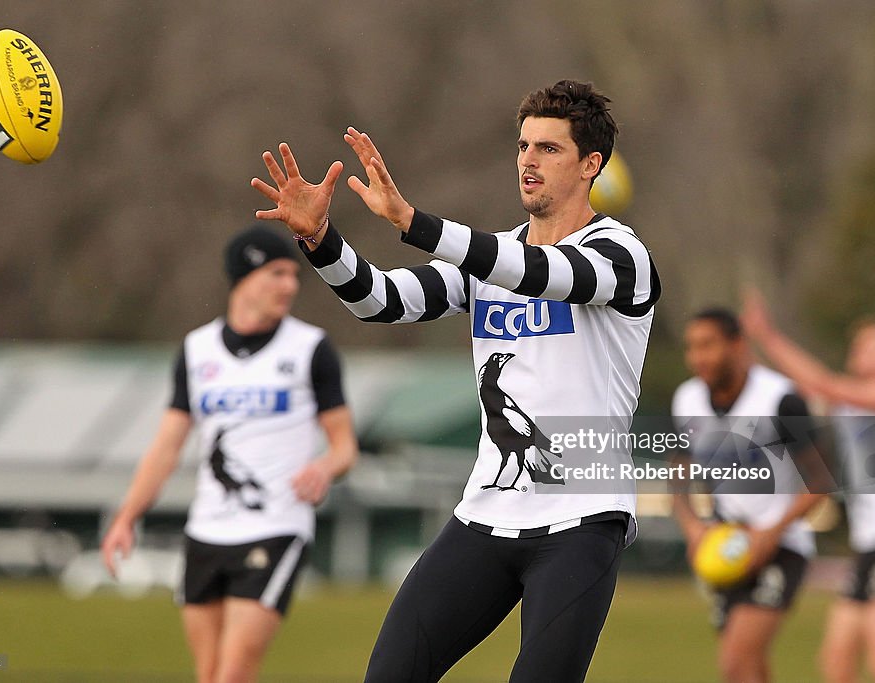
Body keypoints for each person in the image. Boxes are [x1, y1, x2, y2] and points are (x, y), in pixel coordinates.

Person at [251, 79, 661, 682]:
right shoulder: (493, 259)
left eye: (549, 148)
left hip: (581, 522)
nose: (528, 159)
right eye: (523, 145)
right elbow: (380, 300)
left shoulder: (620, 257)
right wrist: (321, 241)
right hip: (486, 514)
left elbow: (543, 272)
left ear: (590, 165)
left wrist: (414, 221)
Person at [100, 225, 358, 683]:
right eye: (276, 273)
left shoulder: (310, 349)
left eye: (293, 275)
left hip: (276, 528)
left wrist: (324, 467)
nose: (289, 286)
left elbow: (344, 446)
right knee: (209, 675)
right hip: (206, 532)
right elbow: (166, 447)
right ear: (244, 276)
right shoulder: (197, 350)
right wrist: (127, 516)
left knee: (233, 674)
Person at [741, 290, 875, 683]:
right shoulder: (852, 401)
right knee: (836, 662)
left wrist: (769, 335)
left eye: (873, 345)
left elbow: (822, 383)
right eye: (860, 342)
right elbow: (794, 385)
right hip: (870, 544)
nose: (861, 347)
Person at [670, 308, 826, 683]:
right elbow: (678, 473)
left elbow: (821, 481)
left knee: (735, 663)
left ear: (737, 345)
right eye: (692, 347)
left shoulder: (780, 399)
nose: (698, 357)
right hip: (725, 548)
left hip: (781, 545)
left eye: (708, 345)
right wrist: (692, 526)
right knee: (750, 669)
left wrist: (770, 534)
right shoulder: (686, 400)